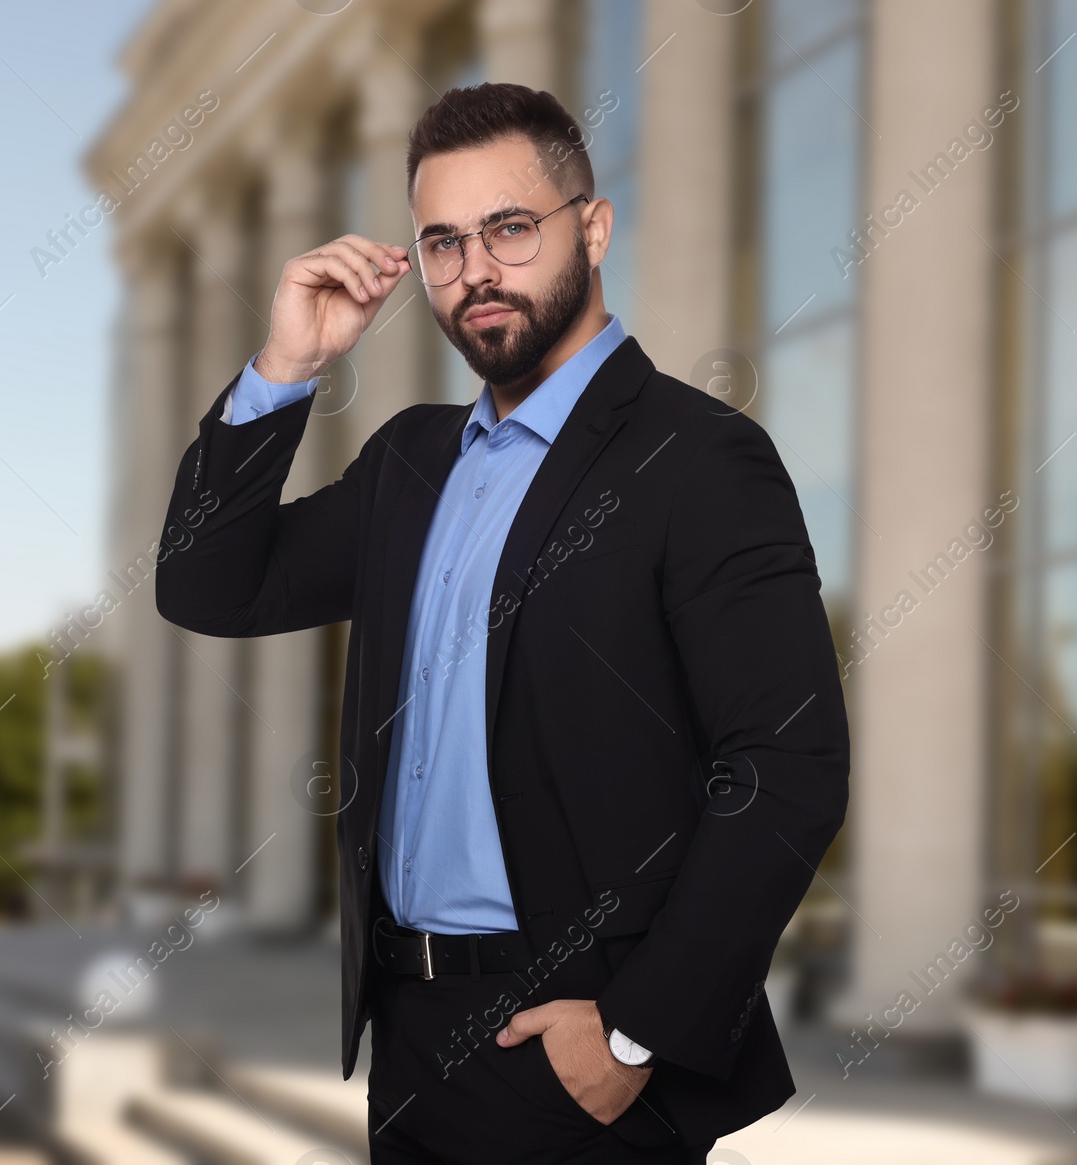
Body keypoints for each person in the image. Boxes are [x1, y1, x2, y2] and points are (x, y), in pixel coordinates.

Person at [156, 82, 849, 1164]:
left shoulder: (696, 458)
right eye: (442, 241)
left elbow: (787, 762)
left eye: (510, 228)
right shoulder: (407, 464)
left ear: (595, 226)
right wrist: (287, 369)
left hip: (575, 1046)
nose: (475, 269)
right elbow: (208, 586)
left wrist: (632, 1033)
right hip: (410, 1034)